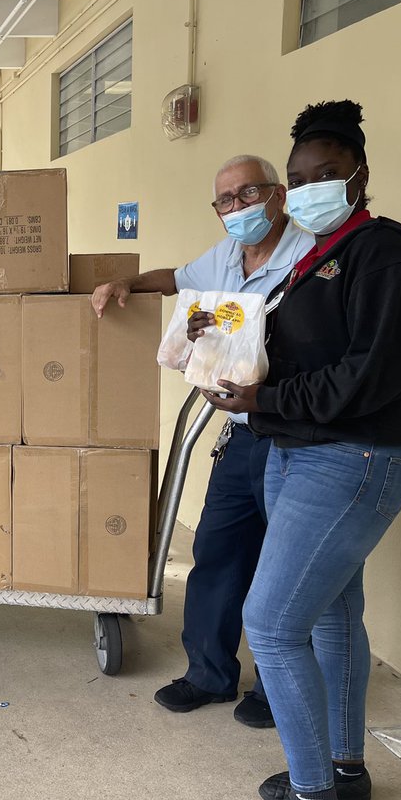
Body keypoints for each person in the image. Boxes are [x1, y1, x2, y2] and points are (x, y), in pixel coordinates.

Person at [200, 101, 401, 800]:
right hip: (296, 450)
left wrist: (263, 394)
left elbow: (371, 374)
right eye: (299, 177)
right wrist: (218, 348)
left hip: (350, 460)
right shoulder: (315, 255)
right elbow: (306, 353)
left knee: (271, 625)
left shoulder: (384, 253)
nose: (307, 189)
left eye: (323, 175)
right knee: (334, 612)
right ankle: (343, 768)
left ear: (358, 174)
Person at [93, 154, 311, 730]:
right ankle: (210, 674)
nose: (236, 209)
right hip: (238, 434)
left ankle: (272, 687)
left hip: (294, 434)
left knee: (279, 568)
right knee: (216, 552)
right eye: (225, 201)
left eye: (247, 195)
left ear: (278, 196)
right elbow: (179, 278)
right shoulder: (226, 259)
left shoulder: (311, 257)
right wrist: (131, 283)